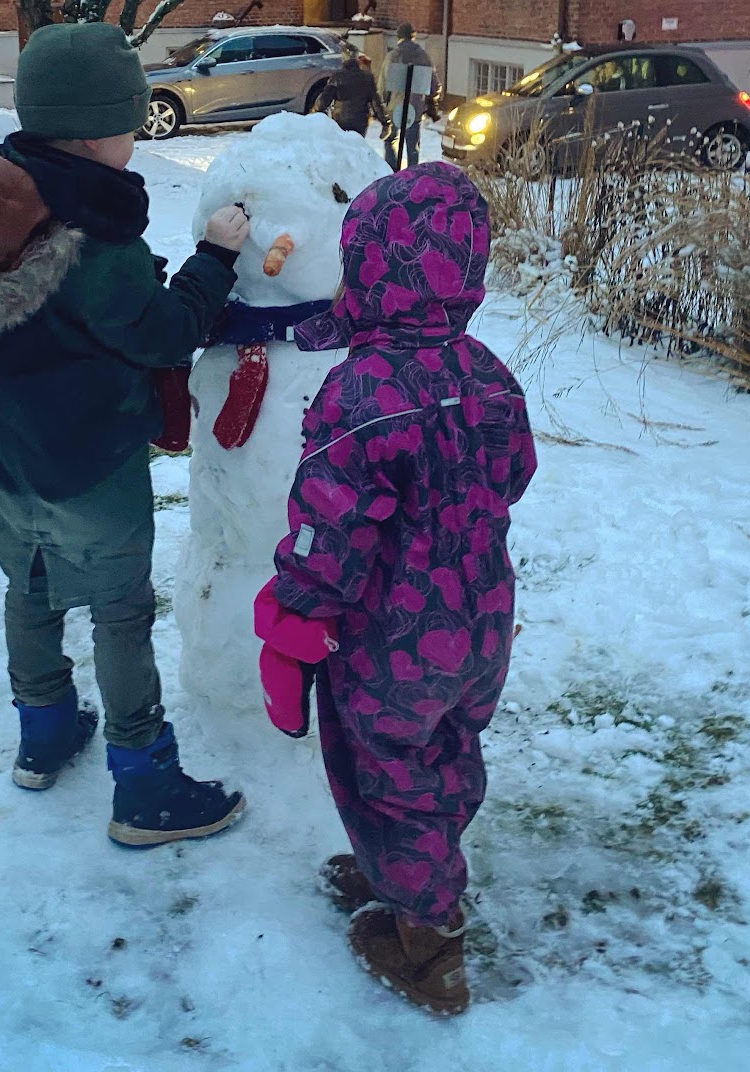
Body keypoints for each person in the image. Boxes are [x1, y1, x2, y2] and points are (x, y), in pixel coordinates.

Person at [0, 21, 250, 847]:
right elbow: (166, 333)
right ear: (97, 133)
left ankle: (45, 731)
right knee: (120, 611)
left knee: (28, 588)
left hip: (1, 460)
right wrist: (214, 258)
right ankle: (144, 783)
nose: (138, 134)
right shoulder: (90, 238)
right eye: (131, 119)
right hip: (90, 467)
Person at [253, 163, 537, 1013]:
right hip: (482, 621)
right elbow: (516, 473)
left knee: (386, 771)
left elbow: (329, 530)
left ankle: (429, 945)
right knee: (445, 754)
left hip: (392, 636)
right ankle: (408, 869)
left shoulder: (361, 392)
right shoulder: (488, 372)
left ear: (373, 267)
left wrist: (296, 611)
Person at [381, 23, 441, 171]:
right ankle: (412, 175)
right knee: (413, 145)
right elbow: (434, 84)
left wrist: (384, 102)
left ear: (399, 37)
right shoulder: (423, 56)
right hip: (415, 107)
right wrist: (431, 102)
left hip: (395, 106)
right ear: (413, 37)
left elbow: (383, 83)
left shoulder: (393, 55)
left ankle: (392, 171)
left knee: (390, 139)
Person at [313, 42, 386, 136]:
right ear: (357, 58)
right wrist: (384, 121)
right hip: (361, 120)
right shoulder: (367, 77)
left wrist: (315, 112)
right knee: (357, 142)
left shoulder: (337, 76)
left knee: (342, 143)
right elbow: (375, 102)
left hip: (340, 119)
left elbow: (323, 101)